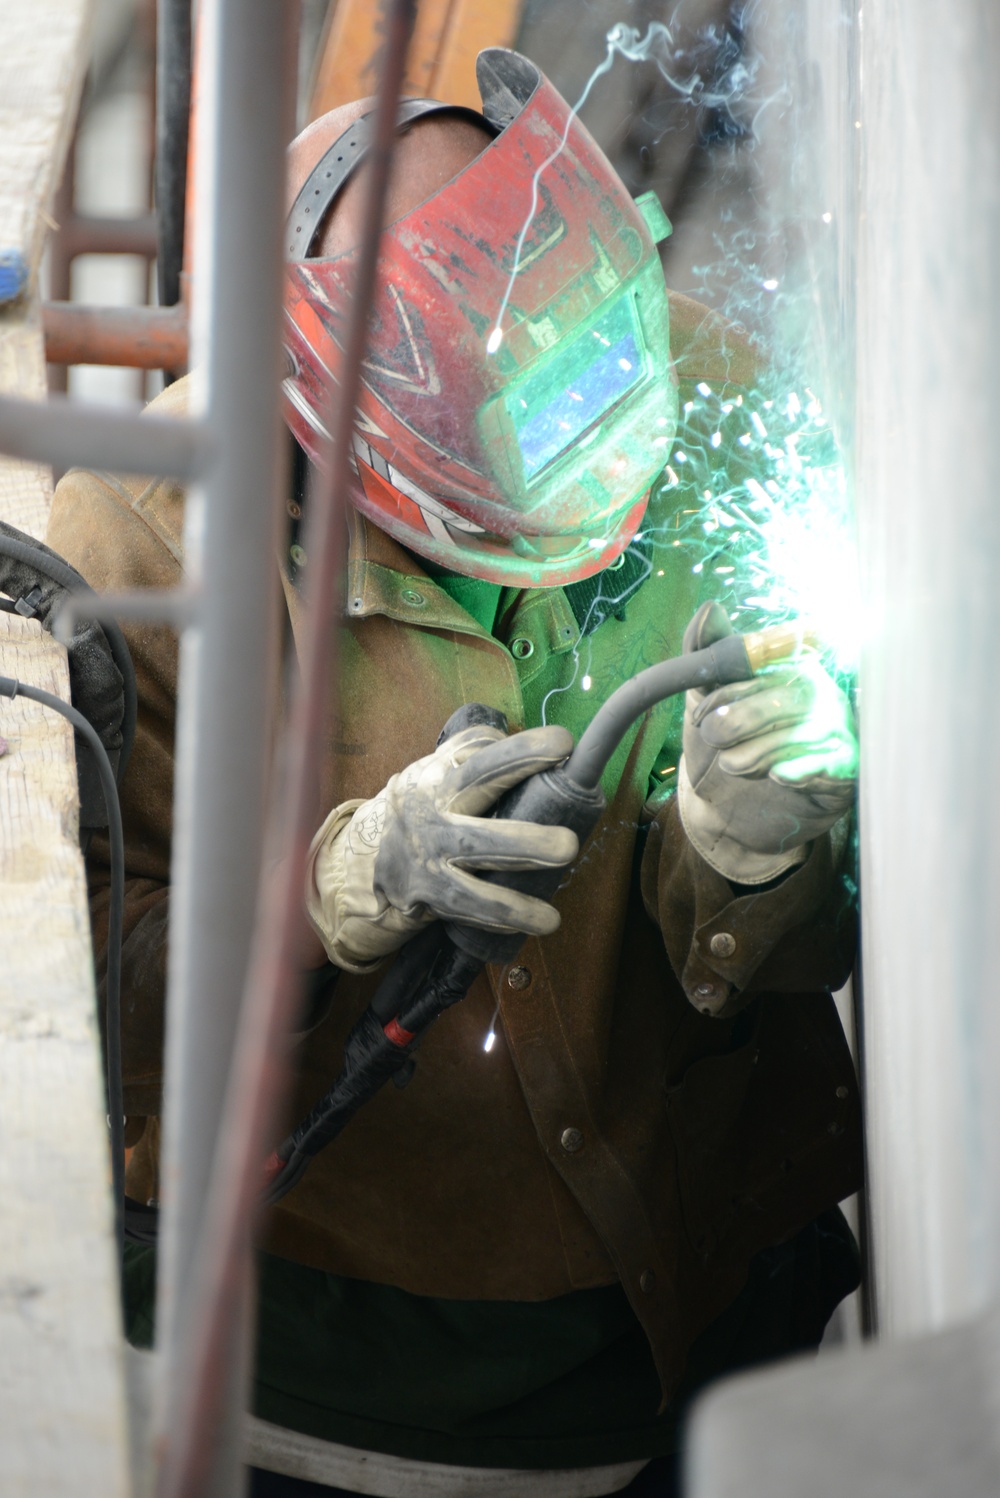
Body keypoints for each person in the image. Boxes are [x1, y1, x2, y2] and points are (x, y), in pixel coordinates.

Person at [47, 49, 861, 1498]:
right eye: (506, 419)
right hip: (324, 1386)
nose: (592, 440)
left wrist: (757, 858)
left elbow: (780, 952)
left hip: (708, 1325)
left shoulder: (681, 392)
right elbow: (89, 999)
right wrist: (334, 895)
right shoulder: (142, 537)